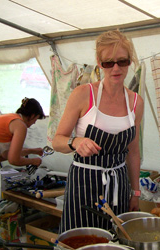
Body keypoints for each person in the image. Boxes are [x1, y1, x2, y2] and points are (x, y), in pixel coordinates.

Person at [52, 30, 144, 232]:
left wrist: (135, 191)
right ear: (99, 62)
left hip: (118, 185)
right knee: (80, 240)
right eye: (108, 63)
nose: (116, 68)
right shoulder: (83, 94)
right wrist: (75, 142)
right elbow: (57, 140)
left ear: (130, 61)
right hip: (84, 185)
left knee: (115, 240)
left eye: (122, 61)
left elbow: (134, 151)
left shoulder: (136, 102)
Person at [0, 97, 45, 250]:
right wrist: (33, 161)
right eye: (36, 120)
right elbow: (13, 159)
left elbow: (5, 153)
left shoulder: (8, 119)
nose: (34, 124)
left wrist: (32, 151)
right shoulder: (20, 126)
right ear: (33, 115)